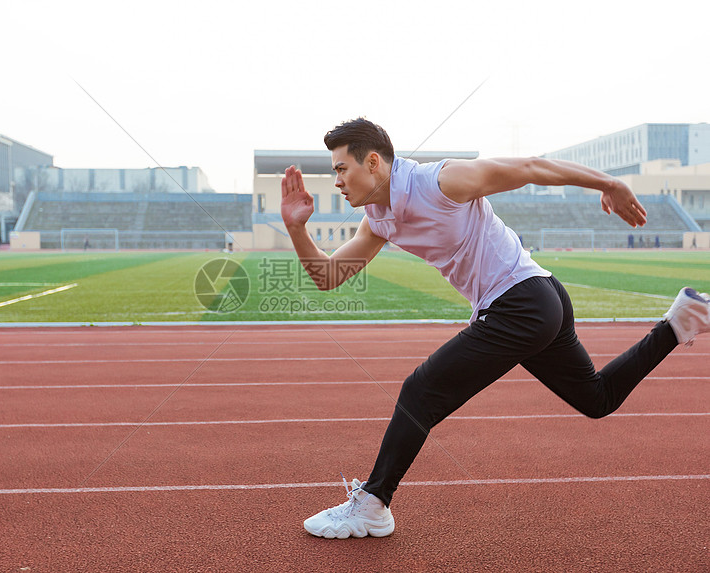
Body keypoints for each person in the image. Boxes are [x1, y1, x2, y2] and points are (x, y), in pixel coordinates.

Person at [280, 118, 710, 539]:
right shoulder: (378, 218)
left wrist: (608, 183)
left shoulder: (441, 181)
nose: (336, 180)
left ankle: (373, 505)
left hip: (521, 301)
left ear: (372, 162)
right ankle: (679, 323)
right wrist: (297, 228)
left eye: (341, 168)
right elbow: (330, 275)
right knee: (597, 398)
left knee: (420, 390)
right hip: (537, 301)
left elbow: (528, 168)